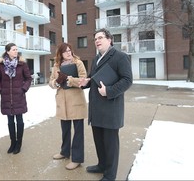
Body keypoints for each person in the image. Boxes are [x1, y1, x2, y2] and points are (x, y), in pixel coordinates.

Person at [79, 28, 133, 181]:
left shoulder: (120, 57)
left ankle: (110, 175)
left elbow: (127, 80)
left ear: (110, 40)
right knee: (99, 141)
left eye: (100, 37)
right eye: (95, 39)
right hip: (96, 109)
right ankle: (102, 165)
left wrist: (109, 91)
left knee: (110, 144)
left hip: (111, 108)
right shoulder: (96, 58)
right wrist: (85, 83)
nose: (97, 41)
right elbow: (93, 78)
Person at [49, 42, 88, 170]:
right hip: (62, 102)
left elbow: (84, 80)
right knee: (65, 130)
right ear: (60, 53)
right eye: (65, 51)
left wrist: (69, 80)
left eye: (69, 50)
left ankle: (77, 159)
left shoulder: (78, 63)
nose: (68, 53)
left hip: (76, 101)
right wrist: (56, 82)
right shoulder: (56, 66)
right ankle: (64, 152)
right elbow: (50, 82)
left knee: (78, 132)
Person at [0, 43, 32, 154]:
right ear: (7, 51)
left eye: (16, 49)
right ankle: (12, 143)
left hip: (18, 96)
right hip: (6, 97)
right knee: (10, 121)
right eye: (13, 49)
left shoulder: (22, 64)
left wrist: (23, 89)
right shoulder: (1, 65)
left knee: (19, 121)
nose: (16, 51)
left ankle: (19, 143)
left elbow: (28, 78)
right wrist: (0, 90)